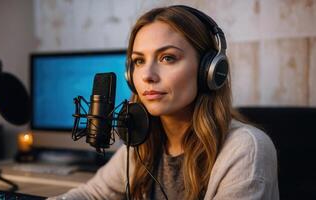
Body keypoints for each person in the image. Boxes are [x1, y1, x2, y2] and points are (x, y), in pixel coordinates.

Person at [49, 5, 279, 200]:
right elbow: (93, 194)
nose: (147, 75)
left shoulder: (246, 149)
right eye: (139, 61)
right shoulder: (141, 141)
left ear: (209, 70)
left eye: (167, 58)